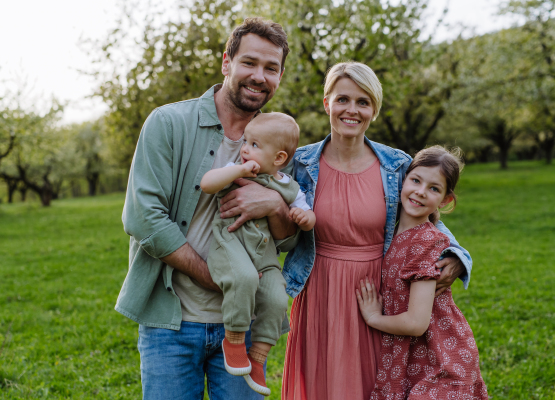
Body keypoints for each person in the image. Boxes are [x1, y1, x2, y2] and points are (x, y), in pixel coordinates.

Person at [116, 18, 299, 399]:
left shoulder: (280, 141)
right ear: (226, 62)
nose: (259, 76)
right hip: (173, 323)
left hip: (245, 323)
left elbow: (287, 240)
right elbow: (143, 217)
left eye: (271, 68)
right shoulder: (168, 122)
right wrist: (212, 277)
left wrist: (272, 205)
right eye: (249, 62)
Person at [281, 62, 474, 400]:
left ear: (374, 109)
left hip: (376, 293)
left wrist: (458, 257)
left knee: (372, 384)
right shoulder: (300, 162)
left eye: (363, 102)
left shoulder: (395, 164)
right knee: (320, 384)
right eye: (342, 99)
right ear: (327, 103)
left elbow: (431, 218)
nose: (351, 110)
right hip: (319, 289)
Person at [356, 146, 488, 399]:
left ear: (446, 200)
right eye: (415, 180)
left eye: (434, 188)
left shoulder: (426, 242)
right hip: (411, 355)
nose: (420, 192)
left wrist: (373, 318)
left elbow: (416, 323)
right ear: (402, 180)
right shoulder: (391, 234)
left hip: (440, 359)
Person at [200, 112, 315, 396]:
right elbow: (207, 183)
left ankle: (259, 356)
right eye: (246, 142)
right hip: (230, 243)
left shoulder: (289, 185)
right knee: (244, 278)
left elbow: (308, 215)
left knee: (278, 294)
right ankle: (235, 339)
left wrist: (304, 217)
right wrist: (237, 171)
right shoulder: (235, 168)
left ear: (278, 159)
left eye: (254, 144)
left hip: (264, 253)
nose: (245, 149)